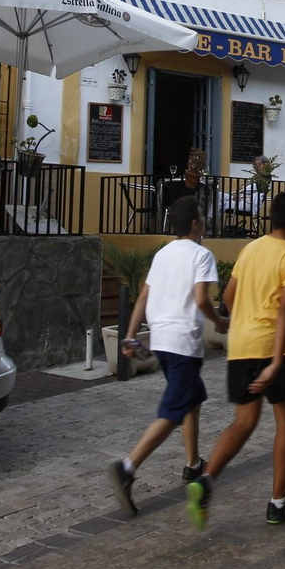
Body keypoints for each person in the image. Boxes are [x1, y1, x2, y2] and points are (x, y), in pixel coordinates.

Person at [186, 190, 285, 529]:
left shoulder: (249, 249)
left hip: (240, 347)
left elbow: (228, 295)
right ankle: (278, 503)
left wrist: (237, 325)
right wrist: (274, 362)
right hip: (277, 350)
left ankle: (206, 479)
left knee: (244, 421)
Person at [106, 196, 228, 516]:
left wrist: (130, 334)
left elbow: (143, 297)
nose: (204, 221)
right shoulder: (202, 255)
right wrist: (219, 322)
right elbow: (202, 299)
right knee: (172, 412)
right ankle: (127, 468)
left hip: (161, 340)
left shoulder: (162, 254)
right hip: (183, 343)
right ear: (195, 224)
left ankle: (191, 464)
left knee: (193, 397)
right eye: (202, 215)